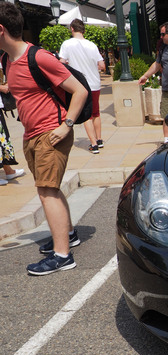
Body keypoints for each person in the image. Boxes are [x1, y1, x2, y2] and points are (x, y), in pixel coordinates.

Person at [0, 2, 88, 275]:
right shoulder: (7, 60)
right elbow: (21, 93)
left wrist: (66, 126)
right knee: (49, 189)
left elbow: (80, 91)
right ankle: (68, 234)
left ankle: (63, 256)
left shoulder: (38, 57)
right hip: (31, 135)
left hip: (51, 133)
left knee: (46, 191)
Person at [59, 19, 105, 155]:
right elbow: (102, 65)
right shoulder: (92, 45)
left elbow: (61, 63)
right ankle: (100, 139)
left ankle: (93, 144)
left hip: (80, 84)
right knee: (96, 112)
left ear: (72, 28)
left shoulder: (67, 44)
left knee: (87, 115)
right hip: (95, 82)